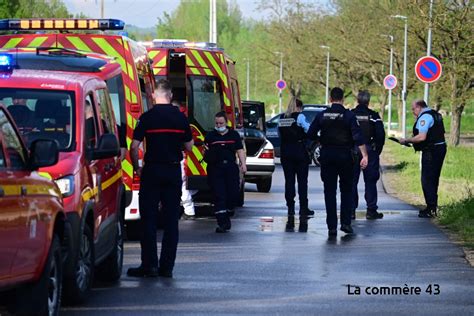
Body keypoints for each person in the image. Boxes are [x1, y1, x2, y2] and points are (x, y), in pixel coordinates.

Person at [127, 79, 193, 278]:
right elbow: (189, 147)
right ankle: (167, 268)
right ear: (171, 95)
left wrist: (137, 168)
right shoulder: (181, 119)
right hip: (172, 172)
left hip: (152, 171)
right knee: (172, 220)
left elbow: (134, 146)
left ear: (154, 96)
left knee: (148, 219)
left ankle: (149, 266)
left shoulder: (147, 117)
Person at [307, 87, 368, 236]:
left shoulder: (322, 115)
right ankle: (346, 223)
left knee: (329, 192)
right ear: (342, 99)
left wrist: (321, 141)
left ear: (330, 99)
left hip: (327, 156)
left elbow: (310, 134)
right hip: (345, 157)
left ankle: (331, 226)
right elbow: (358, 138)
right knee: (346, 191)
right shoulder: (348, 115)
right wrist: (365, 155)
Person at [400, 100, 446, 218]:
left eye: (413, 109)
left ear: (419, 107)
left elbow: (421, 137)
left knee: (427, 180)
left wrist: (406, 140)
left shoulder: (425, 117)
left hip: (431, 151)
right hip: (440, 148)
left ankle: (430, 208)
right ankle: (433, 207)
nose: (412, 112)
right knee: (434, 178)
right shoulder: (436, 114)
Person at [204, 111, 246, 233]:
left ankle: (228, 210)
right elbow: (205, 153)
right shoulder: (210, 136)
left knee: (233, 194)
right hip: (215, 169)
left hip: (230, 168)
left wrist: (243, 164)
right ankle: (222, 223)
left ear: (226, 122)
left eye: (221, 123)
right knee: (219, 195)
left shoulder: (233, 135)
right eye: (216, 123)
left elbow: (240, 150)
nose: (219, 125)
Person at [278, 97, 314, 232]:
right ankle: (303, 208)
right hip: (299, 152)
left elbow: (280, 134)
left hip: (286, 153)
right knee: (302, 182)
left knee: (289, 181)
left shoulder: (282, 118)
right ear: (299, 107)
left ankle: (290, 208)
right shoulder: (300, 117)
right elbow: (309, 130)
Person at [351, 90, 385, 220]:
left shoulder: (351, 114)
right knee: (370, 181)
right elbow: (381, 135)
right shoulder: (374, 116)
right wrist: (377, 151)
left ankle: (351, 211)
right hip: (370, 150)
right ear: (368, 101)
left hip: (353, 150)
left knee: (352, 181)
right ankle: (371, 210)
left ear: (358, 100)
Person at [171, 100, 196, 220]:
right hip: (178, 158)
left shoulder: (178, 122)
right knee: (180, 185)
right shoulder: (182, 121)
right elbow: (189, 144)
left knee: (181, 185)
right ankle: (186, 209)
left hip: (177, 158)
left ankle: (189, 210)